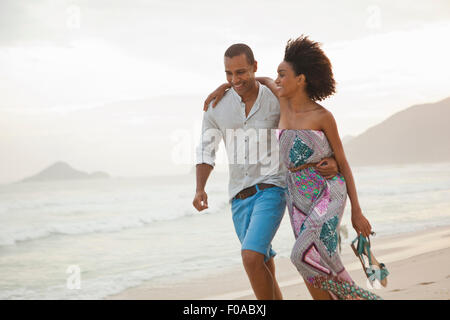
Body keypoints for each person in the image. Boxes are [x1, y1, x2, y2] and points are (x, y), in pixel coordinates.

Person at [205, 36, 381, 300]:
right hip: (297, 198)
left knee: (300, 255)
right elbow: (252, 79)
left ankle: (363, 297)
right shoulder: (280, 100)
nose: (277, 79)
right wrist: (226, 85)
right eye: (276, 74)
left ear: (301, 79)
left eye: (283, 74)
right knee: (316, 265)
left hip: (327, 191)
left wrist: (357, 211)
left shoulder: (323, 116)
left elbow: (342, 162)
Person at [193, 43, 338, 300]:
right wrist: (200, 188)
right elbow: (206, 149)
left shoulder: (276, 97)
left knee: (250, 257)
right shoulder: (216, 106)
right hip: (238, 196)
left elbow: (305, 123)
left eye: (241, 72)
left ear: (254, 67)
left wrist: (330, 158)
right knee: (262, 262)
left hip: (273, 188)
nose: (235, 79)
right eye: (229, 74)